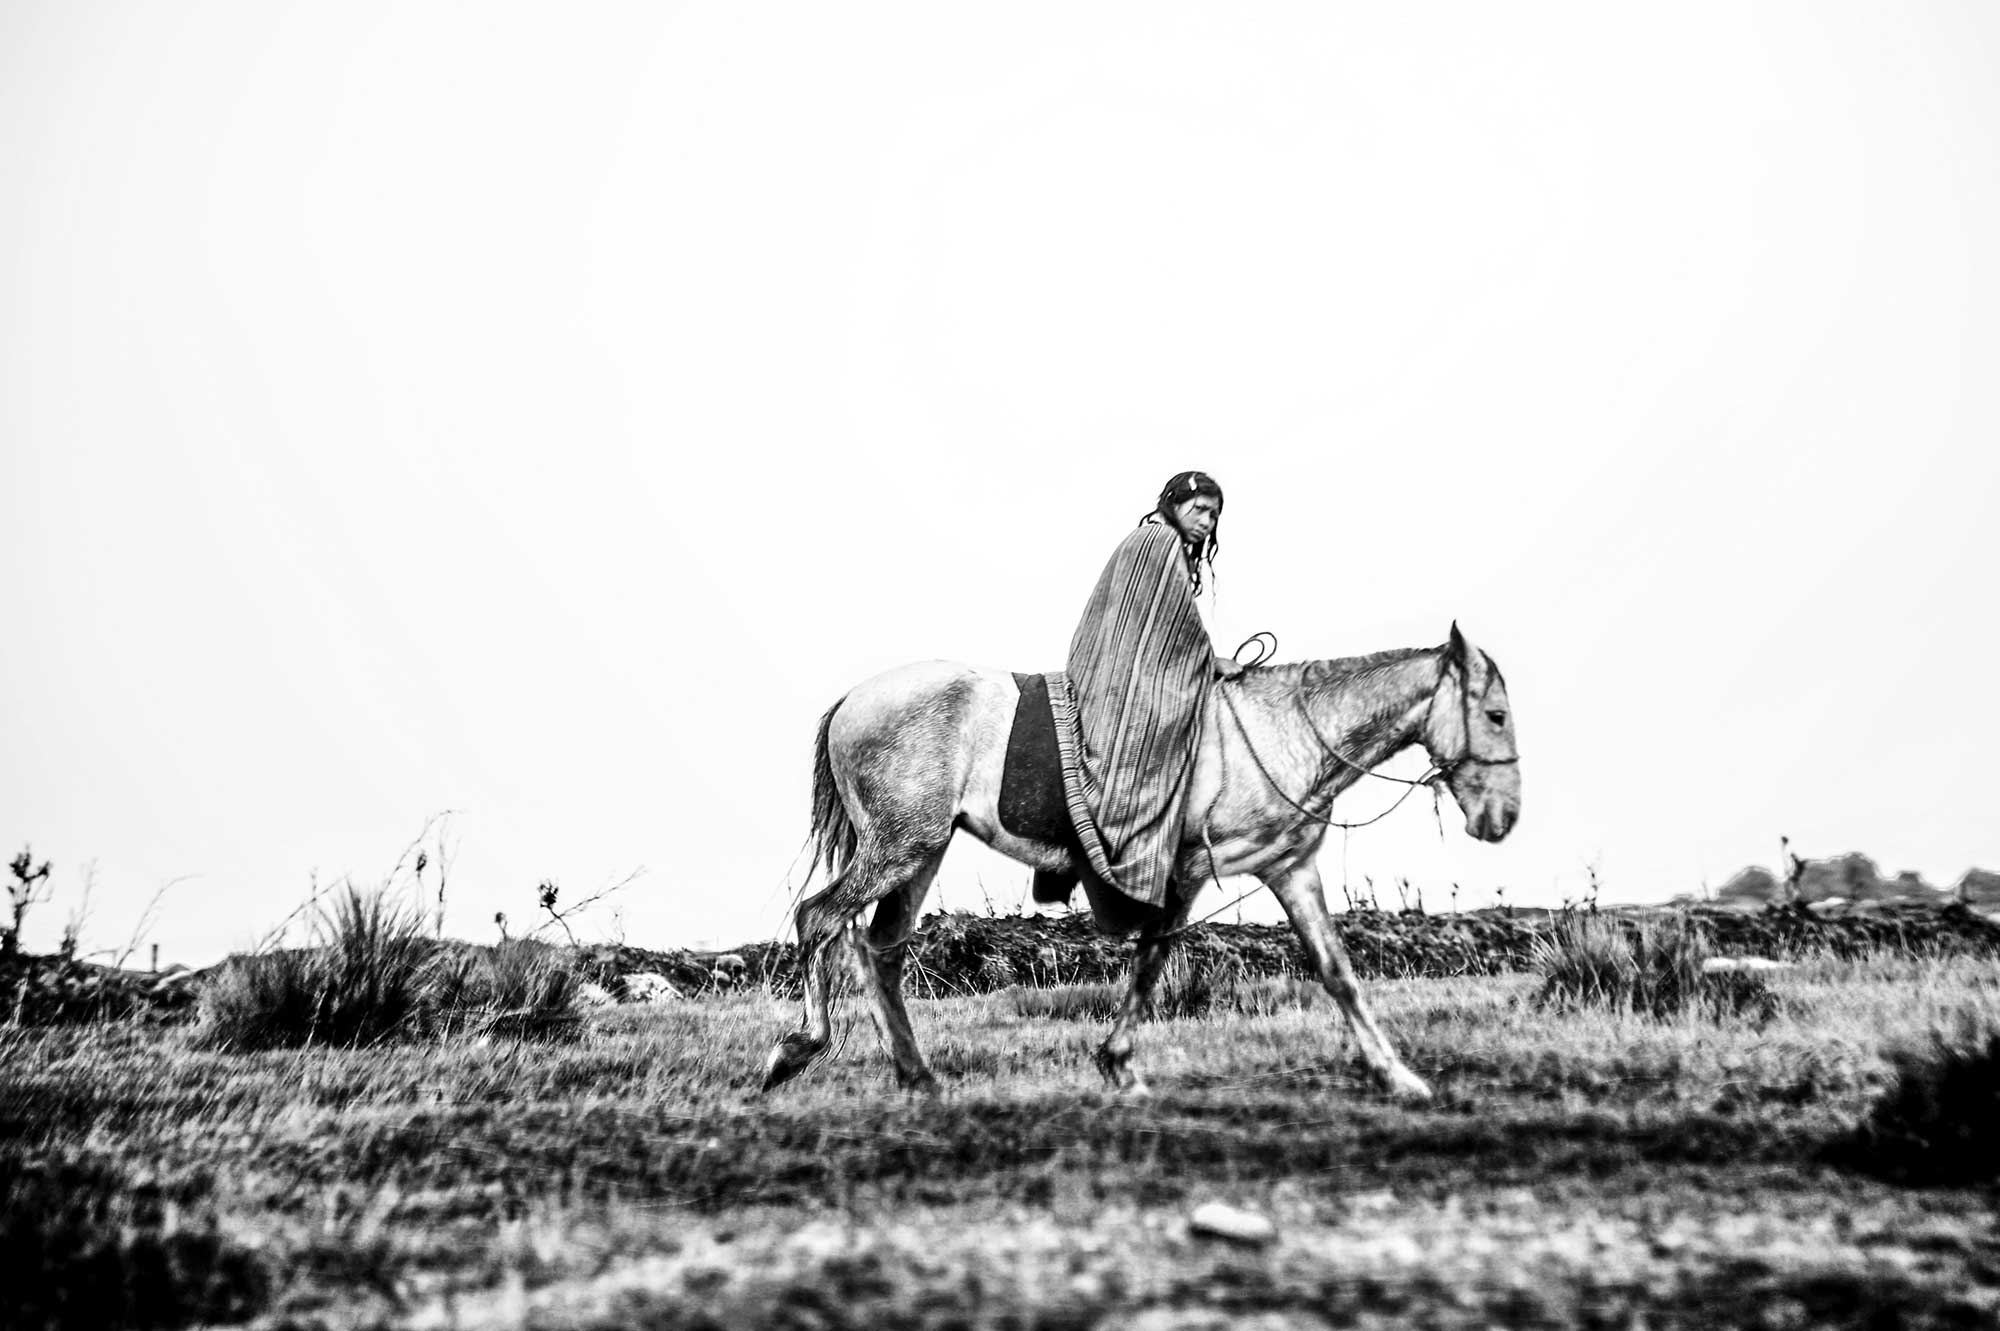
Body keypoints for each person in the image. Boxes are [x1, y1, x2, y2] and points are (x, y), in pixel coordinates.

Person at [1043, 470, 1243, 929]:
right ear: (1174, 504)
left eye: (1214, 515)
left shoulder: (1150, 541)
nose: (1207, 522)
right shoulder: (1159, 544)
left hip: (1117, 669)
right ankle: (1117, 859)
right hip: (1117, 677)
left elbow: (1164, 626)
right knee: (1159, 729)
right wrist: (1211, 660)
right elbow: (1176, 630)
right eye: (1199, 510)